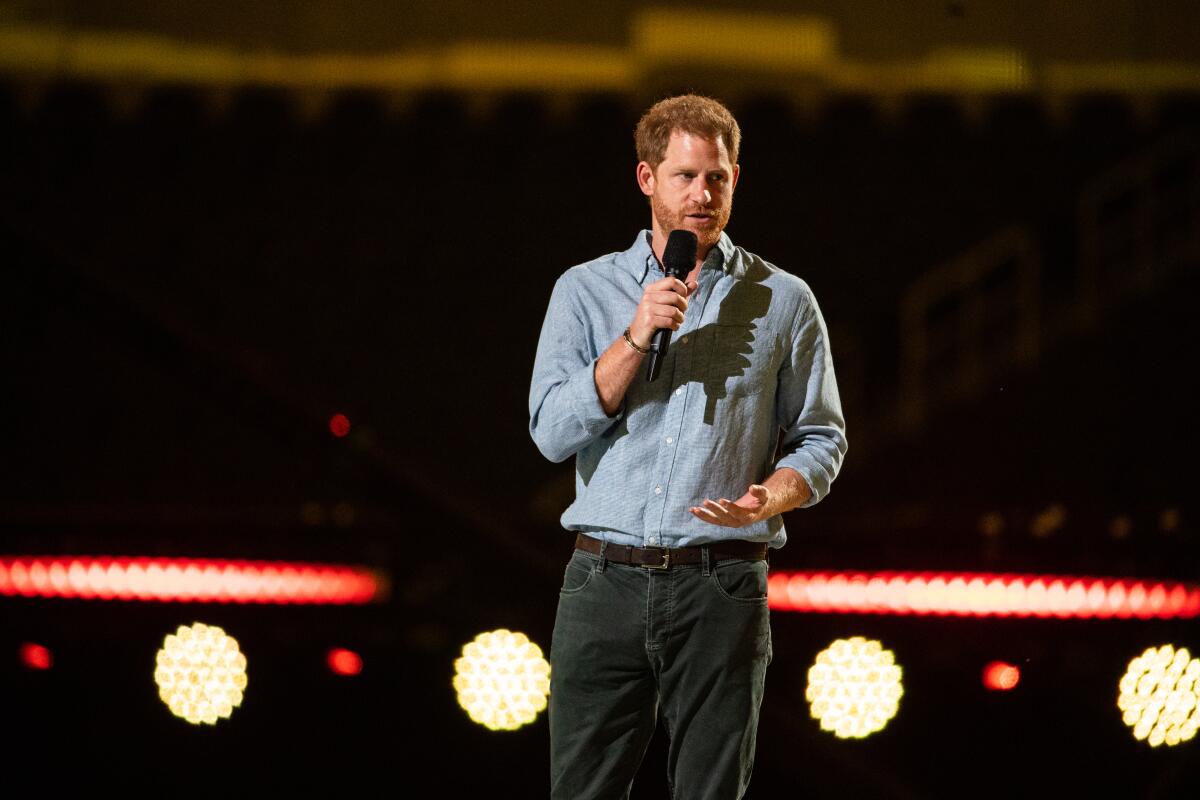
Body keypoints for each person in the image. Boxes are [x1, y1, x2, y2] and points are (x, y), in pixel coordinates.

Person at [528, 94, 847, 799]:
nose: (703, 194)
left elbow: (822, 438)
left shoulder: (785, 299)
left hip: (723, 584)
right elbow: (551, 433)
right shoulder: (585, 291)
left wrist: (773, 494)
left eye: (718, 178)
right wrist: (637, 335)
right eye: (685, 177)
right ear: (647, 179)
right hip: (604, 579)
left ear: (737, 179)